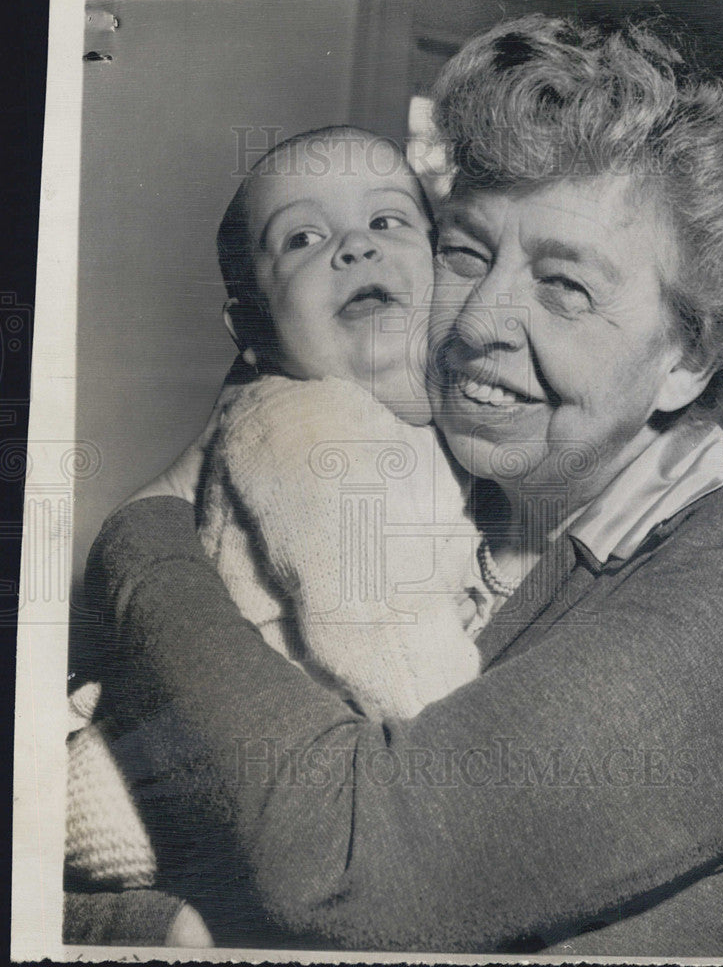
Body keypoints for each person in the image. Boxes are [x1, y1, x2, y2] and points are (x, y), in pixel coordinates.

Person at [68, 13, 723, 954]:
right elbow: (72, 847)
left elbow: (359, 872)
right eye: (466, 251)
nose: (481, 318)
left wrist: (140, 539)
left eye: (566, 286)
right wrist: (143, 923)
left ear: (689, 355)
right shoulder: (383, 489)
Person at [67, 126, 491, 891]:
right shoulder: (310, 426)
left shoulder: (421, 424)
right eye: (301, 237)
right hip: (209, 780)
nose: (354, 249)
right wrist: (477, 765)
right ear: (255, 329)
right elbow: (379, 626)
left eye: (387, 221)